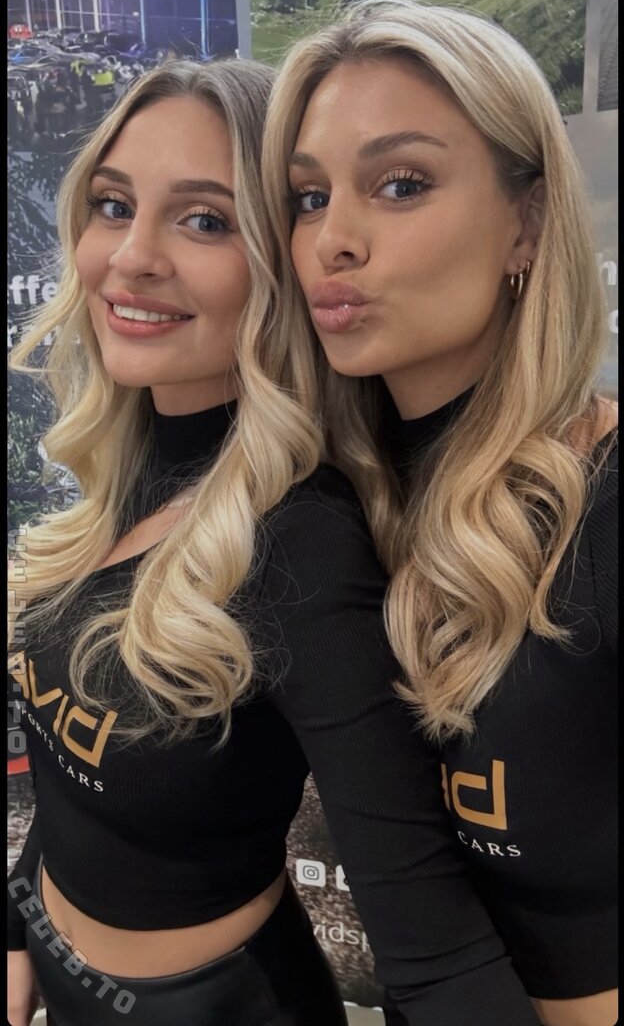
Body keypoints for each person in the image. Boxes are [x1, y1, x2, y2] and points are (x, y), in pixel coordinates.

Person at [6, 59, 541, 1026]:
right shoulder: (129, 468)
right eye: (114, 205)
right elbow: (74, 768)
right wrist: (20, 912)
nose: (132, 257)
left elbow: (435, 953)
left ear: (279, 262)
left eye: (204, 221)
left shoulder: (299, 544)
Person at [262, 0, 618, 1026]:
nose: (332, 241)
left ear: (528, 224)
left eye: (401, 184)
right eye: (308, 197)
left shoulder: (606, 498)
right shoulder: (322, 504)